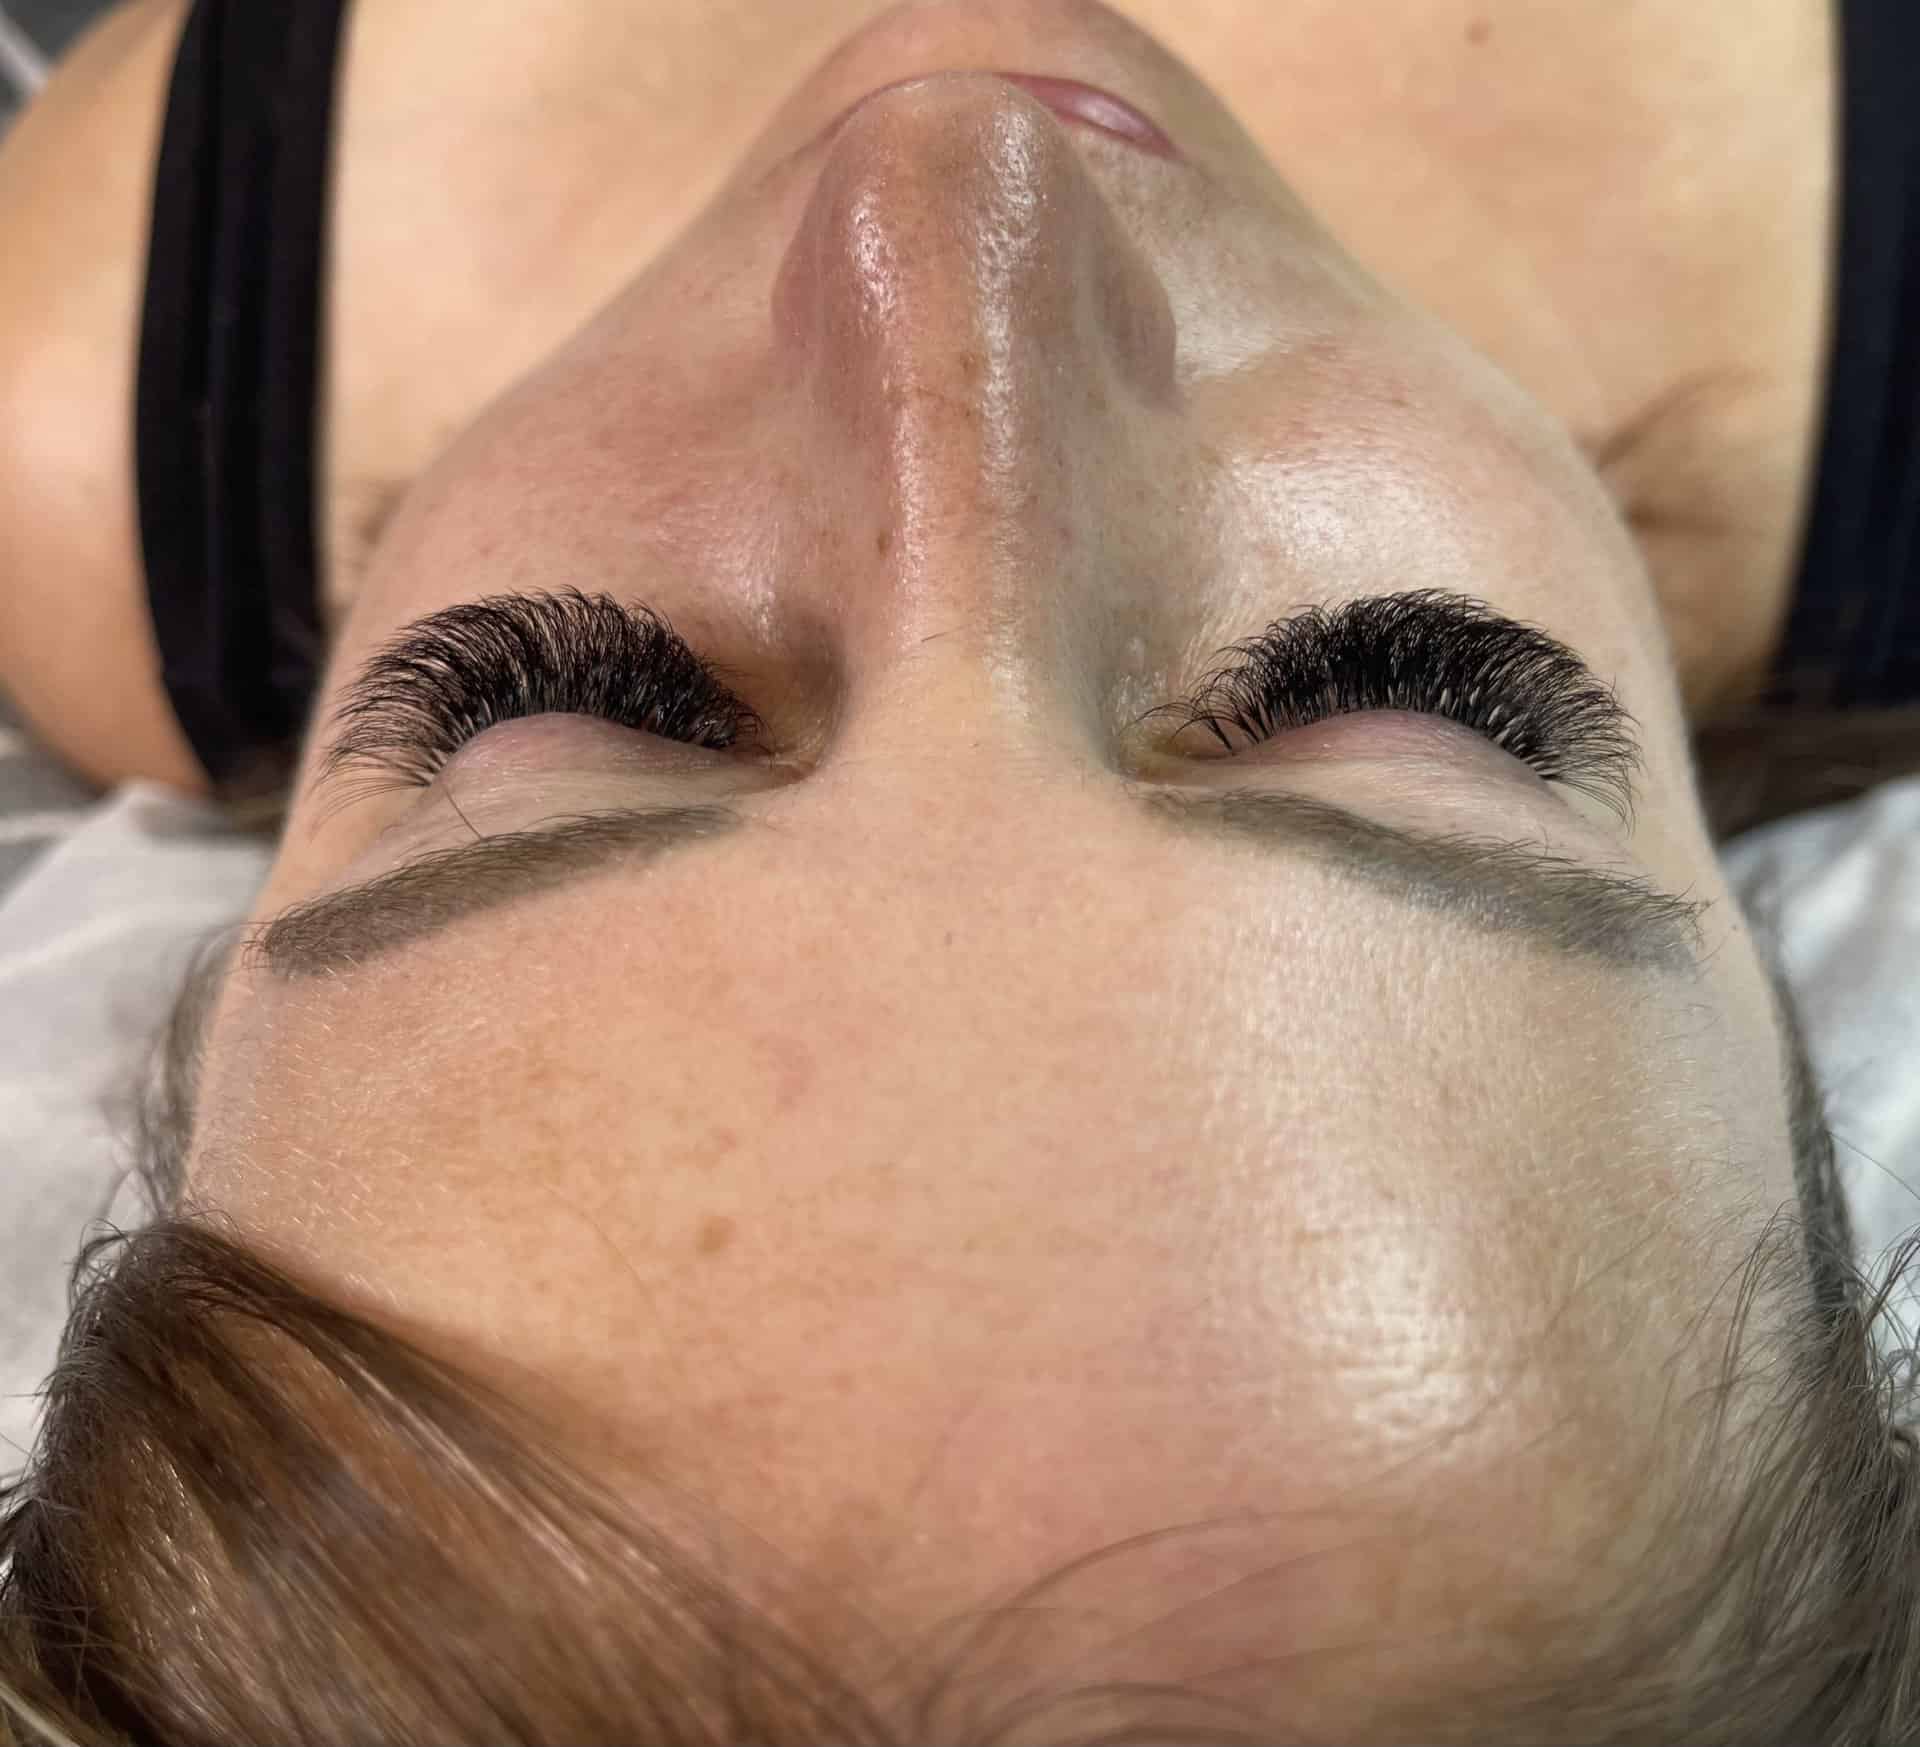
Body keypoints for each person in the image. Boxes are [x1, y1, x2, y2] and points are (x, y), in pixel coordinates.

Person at [0, 0, 1916, 1741]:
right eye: (1405, 708)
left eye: (558, 714)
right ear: (1775, 1010)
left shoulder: (136, 380)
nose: (957, 183)